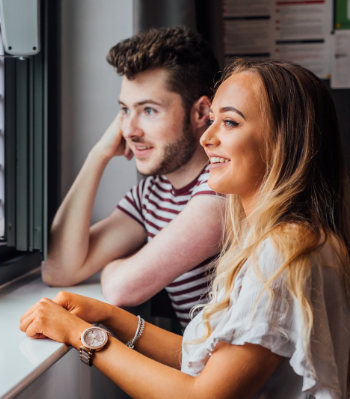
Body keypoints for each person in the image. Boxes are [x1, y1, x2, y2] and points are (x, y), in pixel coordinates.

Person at [20, 59, 350, 398]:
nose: (207, 138)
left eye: (230, 122)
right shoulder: (296, 238)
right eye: (213, 122)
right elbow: (208, 358)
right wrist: (109, 316)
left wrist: (81, 335)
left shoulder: (283, 249)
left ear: (285, 142)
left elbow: (202, 395)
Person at [43, 27, 225, 326]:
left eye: (149, 110)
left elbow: (121, 288)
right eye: (125, 110)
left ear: (201, 112)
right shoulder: (152, 194)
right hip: (197, 366)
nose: (129, 130)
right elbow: (58, 270)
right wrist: (98, 156)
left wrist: (114, 267)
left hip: (235, 372)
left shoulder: (222, 185)